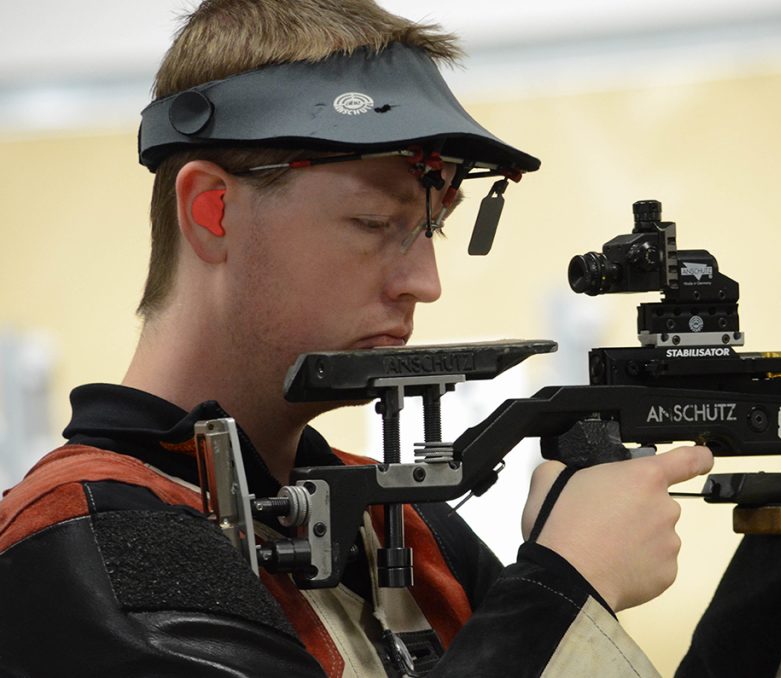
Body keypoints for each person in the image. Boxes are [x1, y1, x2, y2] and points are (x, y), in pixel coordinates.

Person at [0, 2, 716, 676]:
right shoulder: (82, 536)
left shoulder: (399, 525)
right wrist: (567, 581)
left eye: (431, 227)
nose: (425, 282)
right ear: (211, 211)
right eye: (374, 223)